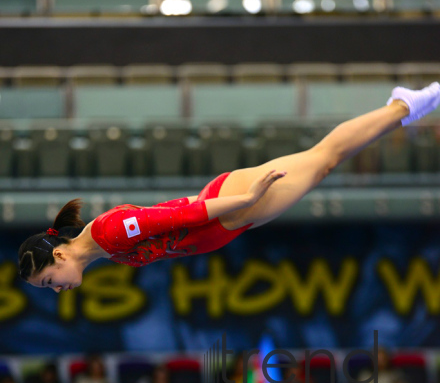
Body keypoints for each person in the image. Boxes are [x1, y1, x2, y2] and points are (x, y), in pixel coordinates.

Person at [18, 83, 440, 290]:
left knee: (325, 158)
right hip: (229, 217)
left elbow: (181, 214)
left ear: (59, 254)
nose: (57, 290)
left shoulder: (109, 232)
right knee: (324, 160)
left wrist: (246, 199)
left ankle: (408, 104)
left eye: (50, 281)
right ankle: (403, 105)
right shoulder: (103, 248)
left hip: (231, 206)